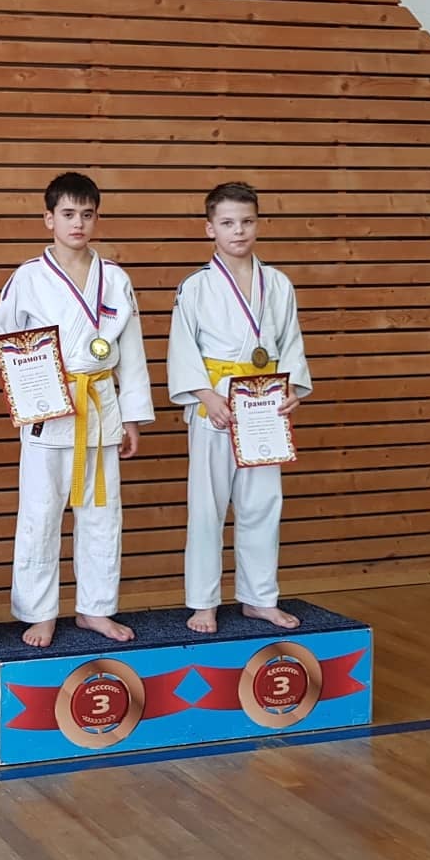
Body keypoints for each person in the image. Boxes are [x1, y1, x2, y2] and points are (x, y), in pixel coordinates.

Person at [0, 172, 154, 646]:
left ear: (96, 219)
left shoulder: (115, 279)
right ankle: (39, 612)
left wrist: (132, 416)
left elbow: (132, 351)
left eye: (86, 214)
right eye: (67, 214)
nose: (77, 223)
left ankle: (95, 608)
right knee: (40, 515)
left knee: (102, 516)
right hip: (47, 408)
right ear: (49, 219)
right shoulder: (29, 277)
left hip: (100, 409)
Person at [167, 181, 312, 634]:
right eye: (228, 223)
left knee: (263, 503)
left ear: (258, 224)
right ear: (209, 228)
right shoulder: (195, 287)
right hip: (215, 405)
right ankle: (203, 602)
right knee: (206, 507)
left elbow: (290, 342)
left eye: (247, 221)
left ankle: (260, 598)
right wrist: (205, 395)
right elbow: (181, 348)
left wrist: (293, 389)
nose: (239, 231)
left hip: (264, 407)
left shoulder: (279, 283)